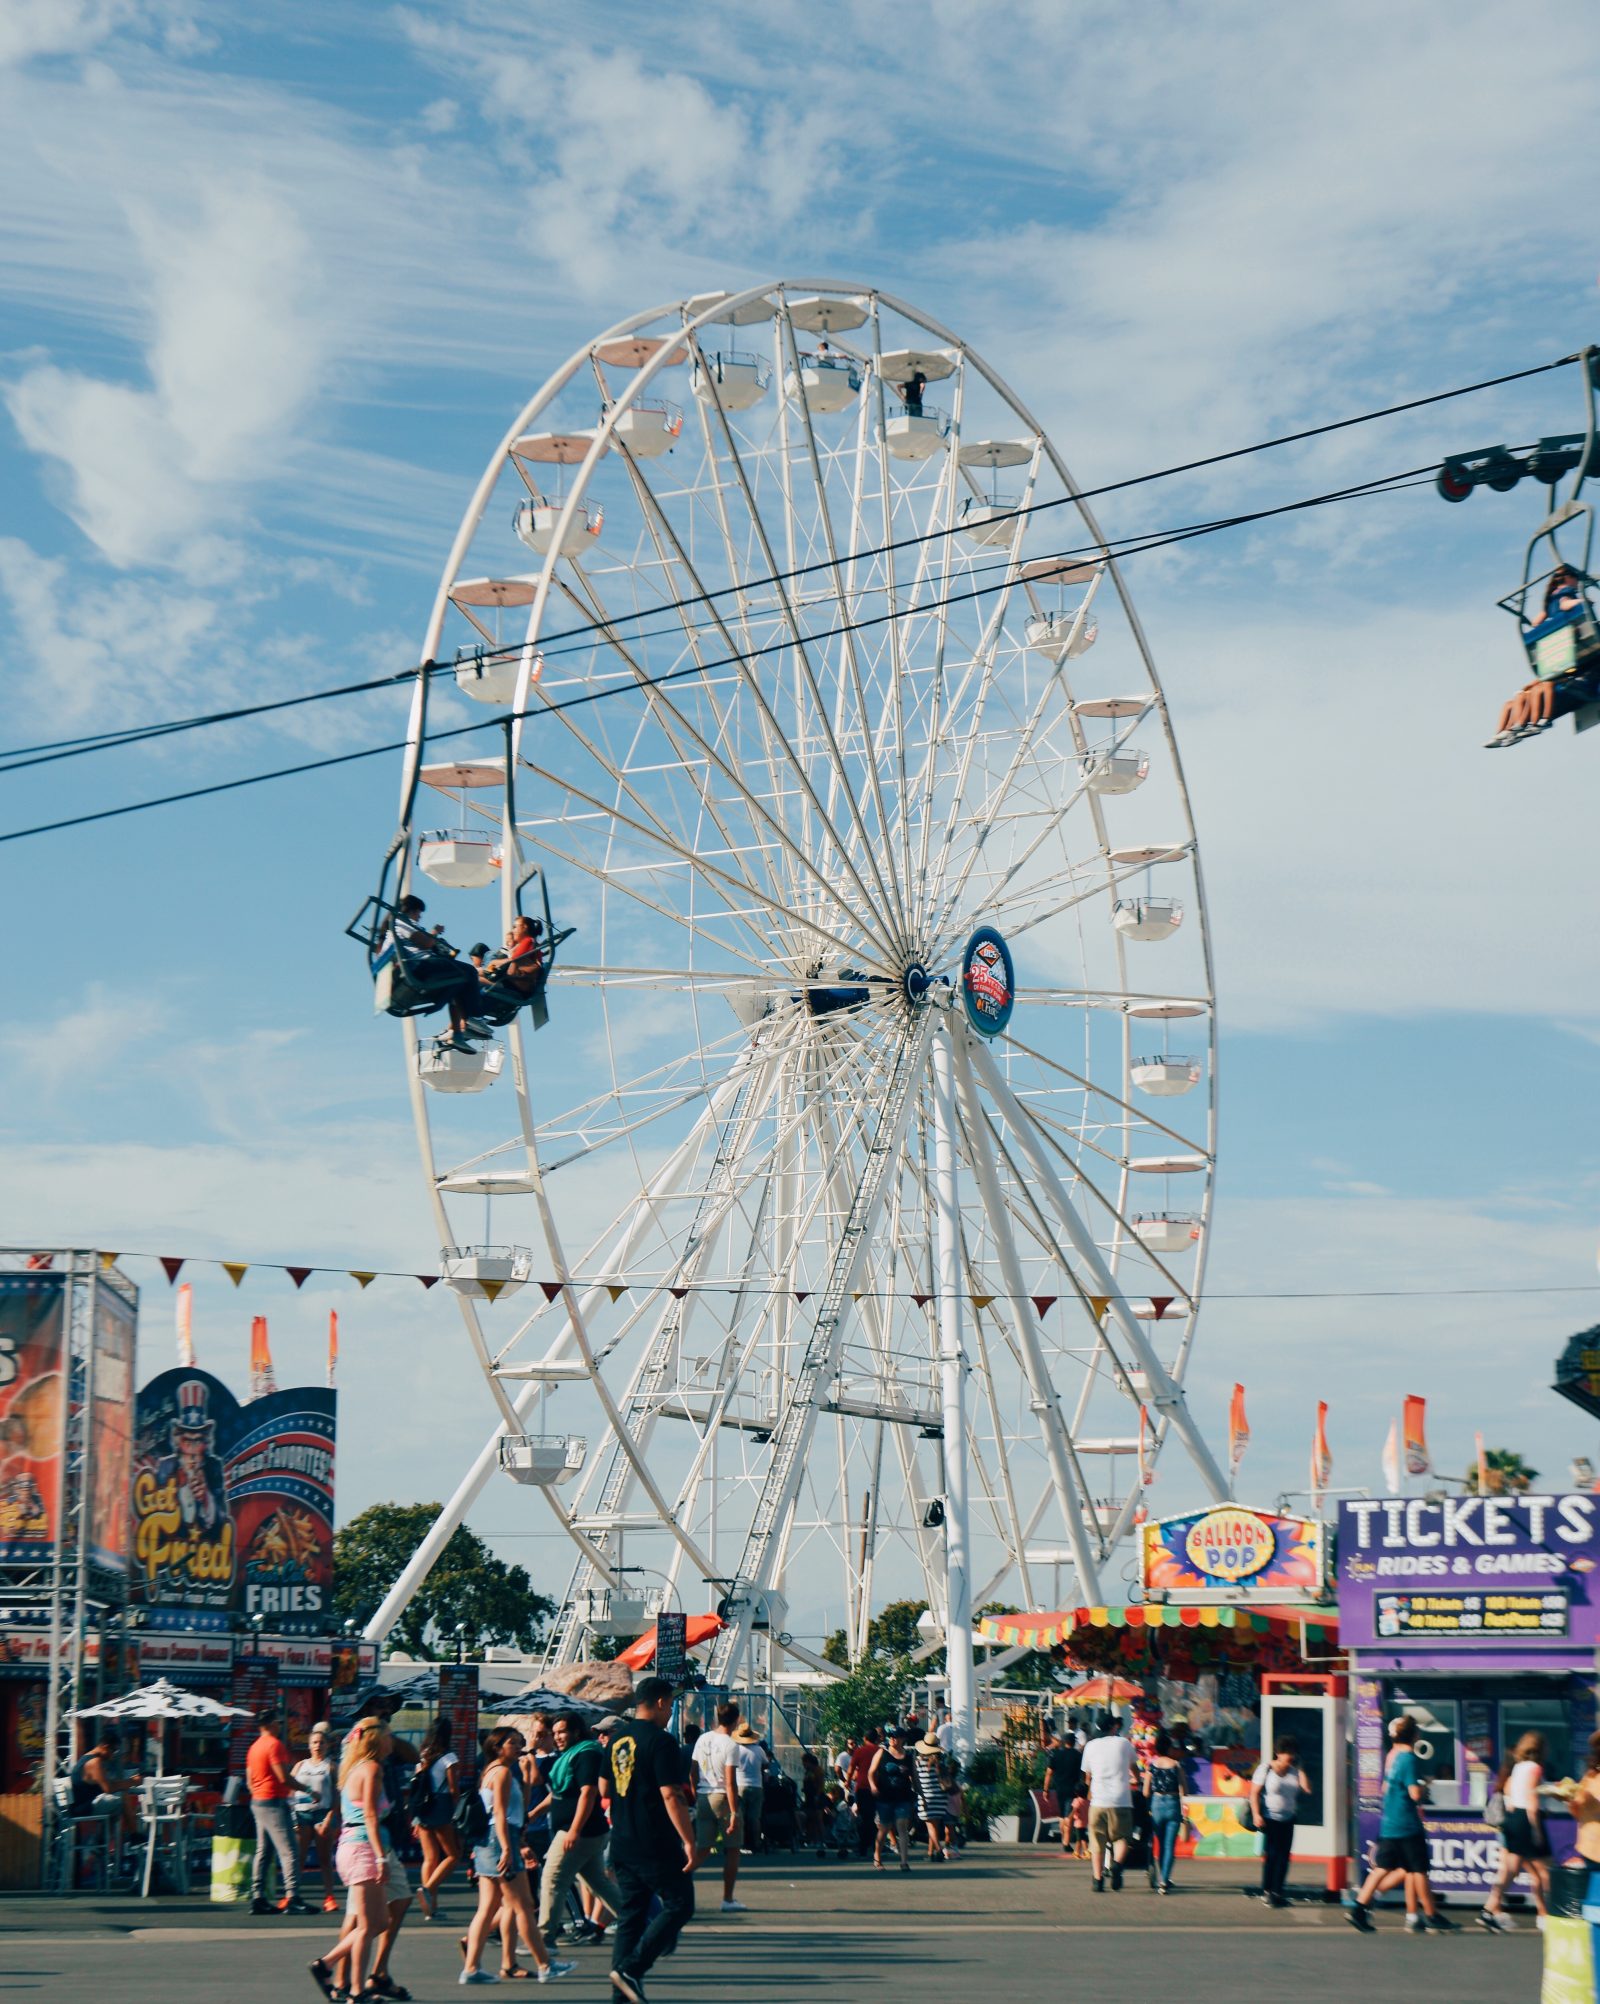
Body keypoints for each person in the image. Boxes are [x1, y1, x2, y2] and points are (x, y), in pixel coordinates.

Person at [607, 1676, 698, 2004]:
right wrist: (689, 1840)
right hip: (654, 1841)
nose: (671, 1711)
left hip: (622, 1840)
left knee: (631, 1915)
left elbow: (605, 1789)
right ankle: (633, 1968)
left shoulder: (617, 1739)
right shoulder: (661, 1742)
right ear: (660, 1702)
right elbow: (672, 1793)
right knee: (680, 1904)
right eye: (671, 1704)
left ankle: (622, 1991)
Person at [460, 1726, 572, 1985]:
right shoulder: (500, 1774)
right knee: (523, 1905)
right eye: (513, 1742)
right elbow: (500, 1814)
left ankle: (472, 1967)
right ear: (497, 1747)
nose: (519, 1745)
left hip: (489, 1842)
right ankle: (545, 1964)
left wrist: (524, 1776)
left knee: (489, 1908)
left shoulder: (495, 1771)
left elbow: (516, 1809)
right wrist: (509, 1848)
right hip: (499, 1840)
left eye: (520, 1741)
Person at [1348, 1715, 1455, 1933]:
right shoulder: (1409, 1758)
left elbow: (1385, 1789)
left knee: (1381, 1869)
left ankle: (1358, 1909)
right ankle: (1432, 1915)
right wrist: (1425, 1785)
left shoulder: (1393, 1757)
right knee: (1419, 1870)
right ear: (1415, 1735)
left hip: (1390, 1823)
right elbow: (1414, 1794)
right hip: (1407, 1824)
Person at [535, 1715, 620, 1948]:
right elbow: (560, 1794)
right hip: (583, 1831)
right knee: (599, 1883)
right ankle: (639, 1922)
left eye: (562, 1731)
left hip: (580, 1832)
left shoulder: (587, 1754)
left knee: (552, 1879)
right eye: (555, 1733)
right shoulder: (570, 1756)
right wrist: (533, 1813)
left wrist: (574, 1830)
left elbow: (588, 1792)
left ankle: (544, 1938)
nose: (557, 1737)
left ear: (576, 1732)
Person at [1488, 566, 1593, 745]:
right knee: (1533, 690)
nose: (1577, 583)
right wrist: (1584, 602)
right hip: (1567, 639)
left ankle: (1514, 726)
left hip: (1557, 649)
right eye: (1575, 579)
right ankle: (1524, 724)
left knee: (1532, 691)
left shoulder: (1549, 601)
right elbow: (1565, 604)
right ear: (1568, 578)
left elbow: (1537, 621)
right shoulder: (1566, 592)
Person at [382, 895, 484, 1052]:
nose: (419, 917)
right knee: (469, 971)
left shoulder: (393, 928)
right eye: (418, 913)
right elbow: (426, 943)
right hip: (420, 966)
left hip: (414, 967)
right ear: (411, 910)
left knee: (456, 986)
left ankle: (456, 1034)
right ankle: (473, 1018)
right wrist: (435, 932)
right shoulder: (401, 922)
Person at [1479, 1731, 1553, 1930]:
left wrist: (1514, 1811)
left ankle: (1488, 1908)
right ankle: (1557, 1911)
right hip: (1526, 1821)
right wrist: (1536, 1829)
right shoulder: (1536, 1768)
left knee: (1510, 1870)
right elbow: (1532, 1800)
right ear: (1540, 1749)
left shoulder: (1518, 1768)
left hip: (1513, 1819)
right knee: (1546, 1871)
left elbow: (1510, 1794)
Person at [249, 1709, 308, 1914]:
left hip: (258, 1801)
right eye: (279, 1722)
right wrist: (308, 1789)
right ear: (273, 1723)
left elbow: (249, 1780)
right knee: (289, 1850)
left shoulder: (254, 1747)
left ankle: (258, 1896)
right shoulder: (274, 1745)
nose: (280, 1725)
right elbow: (283, 1777)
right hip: (273, 1801)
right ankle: (293, 1896)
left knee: (263, 1851)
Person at [689, 1701, 745, 1913]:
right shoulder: (730, 1745)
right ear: (736, 1720)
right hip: (722, 1796)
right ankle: (727, 1899)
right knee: (732, 1849)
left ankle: (680, 1879)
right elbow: (730, 1782)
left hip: (703, 1795)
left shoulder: (703, 1739)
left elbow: (692, 1772)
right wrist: (733, 1813)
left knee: (702, 1848)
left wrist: (695, 1794)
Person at [411, 1716, 462, 1924]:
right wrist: (457, 1810)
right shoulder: (449, 1758)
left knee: (430, 1859)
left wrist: (414, 1818)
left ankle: (430, 1908)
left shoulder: (423, 1756)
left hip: (423, 1809)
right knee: (453, 1855)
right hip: (441, 1807)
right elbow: (453, 1789)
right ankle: (428, 1890)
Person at [1249, 1736, 1309, 1909]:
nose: (1289, 1756)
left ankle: (1277, 1892)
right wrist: (1256, 1814)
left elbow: (1306, 1789)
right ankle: (1268, 1891)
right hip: (1270, 1818)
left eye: (1292, 1752)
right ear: (1278, 1753)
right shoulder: (1265, 1769)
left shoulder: (1294, 1771)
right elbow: (1254, 1793)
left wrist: (1301, 1769)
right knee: (1272, 1856)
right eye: (1286, 1752)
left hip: (1288, 1818)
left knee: (1284, 1857)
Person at [1082, 1711, 1136, 1892]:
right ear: (1115, 1726)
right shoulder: (1124, 1744)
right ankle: (1117, 1865)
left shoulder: (1090, 1746)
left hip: (1098, 1800)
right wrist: (1137, 1779)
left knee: (1097, 1841)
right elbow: (1134, 1769)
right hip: (1121, 1800)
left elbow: (1087, 1776)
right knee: (1121, 1838)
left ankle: (1097, 1880)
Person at [293, 1721, 340, 1913]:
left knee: (324, 1858)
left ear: (327, 1745)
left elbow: (337, 1795)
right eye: (314, 1742)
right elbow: (289, 1791)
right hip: (301, 1813)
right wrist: (293, 1818)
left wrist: (330, 1817)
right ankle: (292, 1895)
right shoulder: (300, 1766)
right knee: (298, 1858)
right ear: (309, 1745)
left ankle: (329, 1897)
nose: (318, 1745)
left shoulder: (331, 1766)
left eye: (321, 1742)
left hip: (322, 1813)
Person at [1143, 1729, 1186, 1894]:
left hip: (1157, 1804)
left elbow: (1146, 1791)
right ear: (1169, 1748)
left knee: (1160, 1844)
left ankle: (1164, 1877)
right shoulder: (1176, 1765)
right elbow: (1184, 1789)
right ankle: (1164, 1880)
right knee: (1169, 1846)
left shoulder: (1151, 1766)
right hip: (1173, 1804)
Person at [869, 1725, 916, 1874]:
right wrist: (873, 1786)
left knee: (902, 1826)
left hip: (903, 1796)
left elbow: (914, 1777)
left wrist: (920, 1794)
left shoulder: (908, 1757)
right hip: (885, 1796)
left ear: (902, 1739)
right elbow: (871, 1772)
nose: (892, 1739)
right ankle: (877, 1857)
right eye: (891, 1736)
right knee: (884, 1828)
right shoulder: (882, 1753)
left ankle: (904, 1861)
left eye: (896, 1737)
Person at [913, 1730, 955, 1861]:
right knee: (935, 1826)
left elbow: (916, 1783)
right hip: (941, 1798)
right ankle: (931, 1853)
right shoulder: (941, 1764)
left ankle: (938, 1850)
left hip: (926, 1797)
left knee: (930, 1827)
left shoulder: (918, 1763)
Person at [1045, 1730, 1082, 1861]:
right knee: (1069, 1816)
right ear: (1073, 1742)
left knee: (1062, 1815)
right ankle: (1066, 1842)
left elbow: (1049, 1773)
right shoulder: (1078, 1756)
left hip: (1059, 1789)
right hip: (1073, 1789)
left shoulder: (1055, 1755)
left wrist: (1046, 1790)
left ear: (1064, 1742)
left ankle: (1064, 1840)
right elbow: (1083, 1774)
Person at [732, 1725, 766, 1857]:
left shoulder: (735, 1750)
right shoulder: (759, 1750)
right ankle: (756, 1843)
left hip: (740, 1786)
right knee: (755, 1818)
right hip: (757, 1786)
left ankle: (740, 1844)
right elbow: (766, 1764)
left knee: (740, 1817)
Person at [847, 1728, 880, 1858]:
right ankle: (874, 1843)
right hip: (877, 1788)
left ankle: (863, 1845)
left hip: (862, 1788)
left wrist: (848, 1781)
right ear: (876, 1739)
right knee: (873, 1817)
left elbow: (850, 1769)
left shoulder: (859, 1751)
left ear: (865, 1739)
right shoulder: (880, 1751)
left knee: (864, 1818)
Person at [800, 1752, 827, 1853]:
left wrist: (817, 1796)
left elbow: (820, 1785)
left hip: (817, 1797)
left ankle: (822, 1841)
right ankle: (812, 1840)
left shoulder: (817, 1770)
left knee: (818, 1820)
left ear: (809, 1762)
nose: (803, 1765)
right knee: (810, 1820)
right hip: (809, 1797)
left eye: (805, 1763)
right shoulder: (808, 1771)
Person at [1068, 1782, 1090, 1860]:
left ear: (1076, 1792)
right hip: (1085, 1822)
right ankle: (1085, 1852)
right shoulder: (1088, 1802)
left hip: (1078, 1823)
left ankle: (1078, 1852)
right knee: (1082, 1838)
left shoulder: (1077, 1801)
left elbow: (1074, 1809)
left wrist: (1069, 1818)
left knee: (1079, 1839)